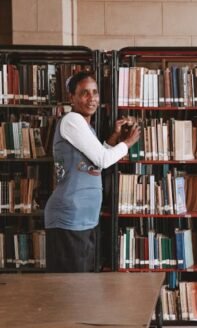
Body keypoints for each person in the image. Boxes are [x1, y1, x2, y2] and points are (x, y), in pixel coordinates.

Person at [45, 71, 140, 272]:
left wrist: (114, 138)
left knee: (83, 289)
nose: (92, 98)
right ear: (72, 97)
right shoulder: (72, 119)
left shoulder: (87, 127)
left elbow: (95, 163)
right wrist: (128, 142)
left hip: (84, 218)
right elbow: (104, 160)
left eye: (95, 93)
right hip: (69, 218)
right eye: (84, 93)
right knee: (71, 289)